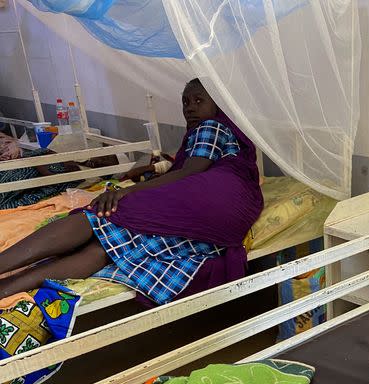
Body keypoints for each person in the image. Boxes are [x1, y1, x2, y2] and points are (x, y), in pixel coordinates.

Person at [0, 79, 263, 305]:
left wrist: (127, 191)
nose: (190, 108)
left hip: (217, 197)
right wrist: (149, 170)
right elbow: (185, 166)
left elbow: (189, 171)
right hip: (228, 218)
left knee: (100, 214)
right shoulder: (217, 134)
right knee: (106, 246)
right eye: (185, 102)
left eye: (198, 100)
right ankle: (6, 289)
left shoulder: (211, 126)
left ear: (216, 104)